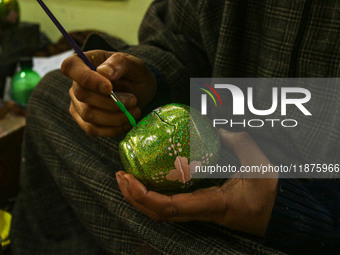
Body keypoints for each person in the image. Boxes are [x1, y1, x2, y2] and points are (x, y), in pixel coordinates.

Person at [10, 0, 340, 254]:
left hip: (316, 203)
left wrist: (295, 212)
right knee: (51, 97)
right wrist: (150, 80)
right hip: (216, 142)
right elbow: (182, 37)